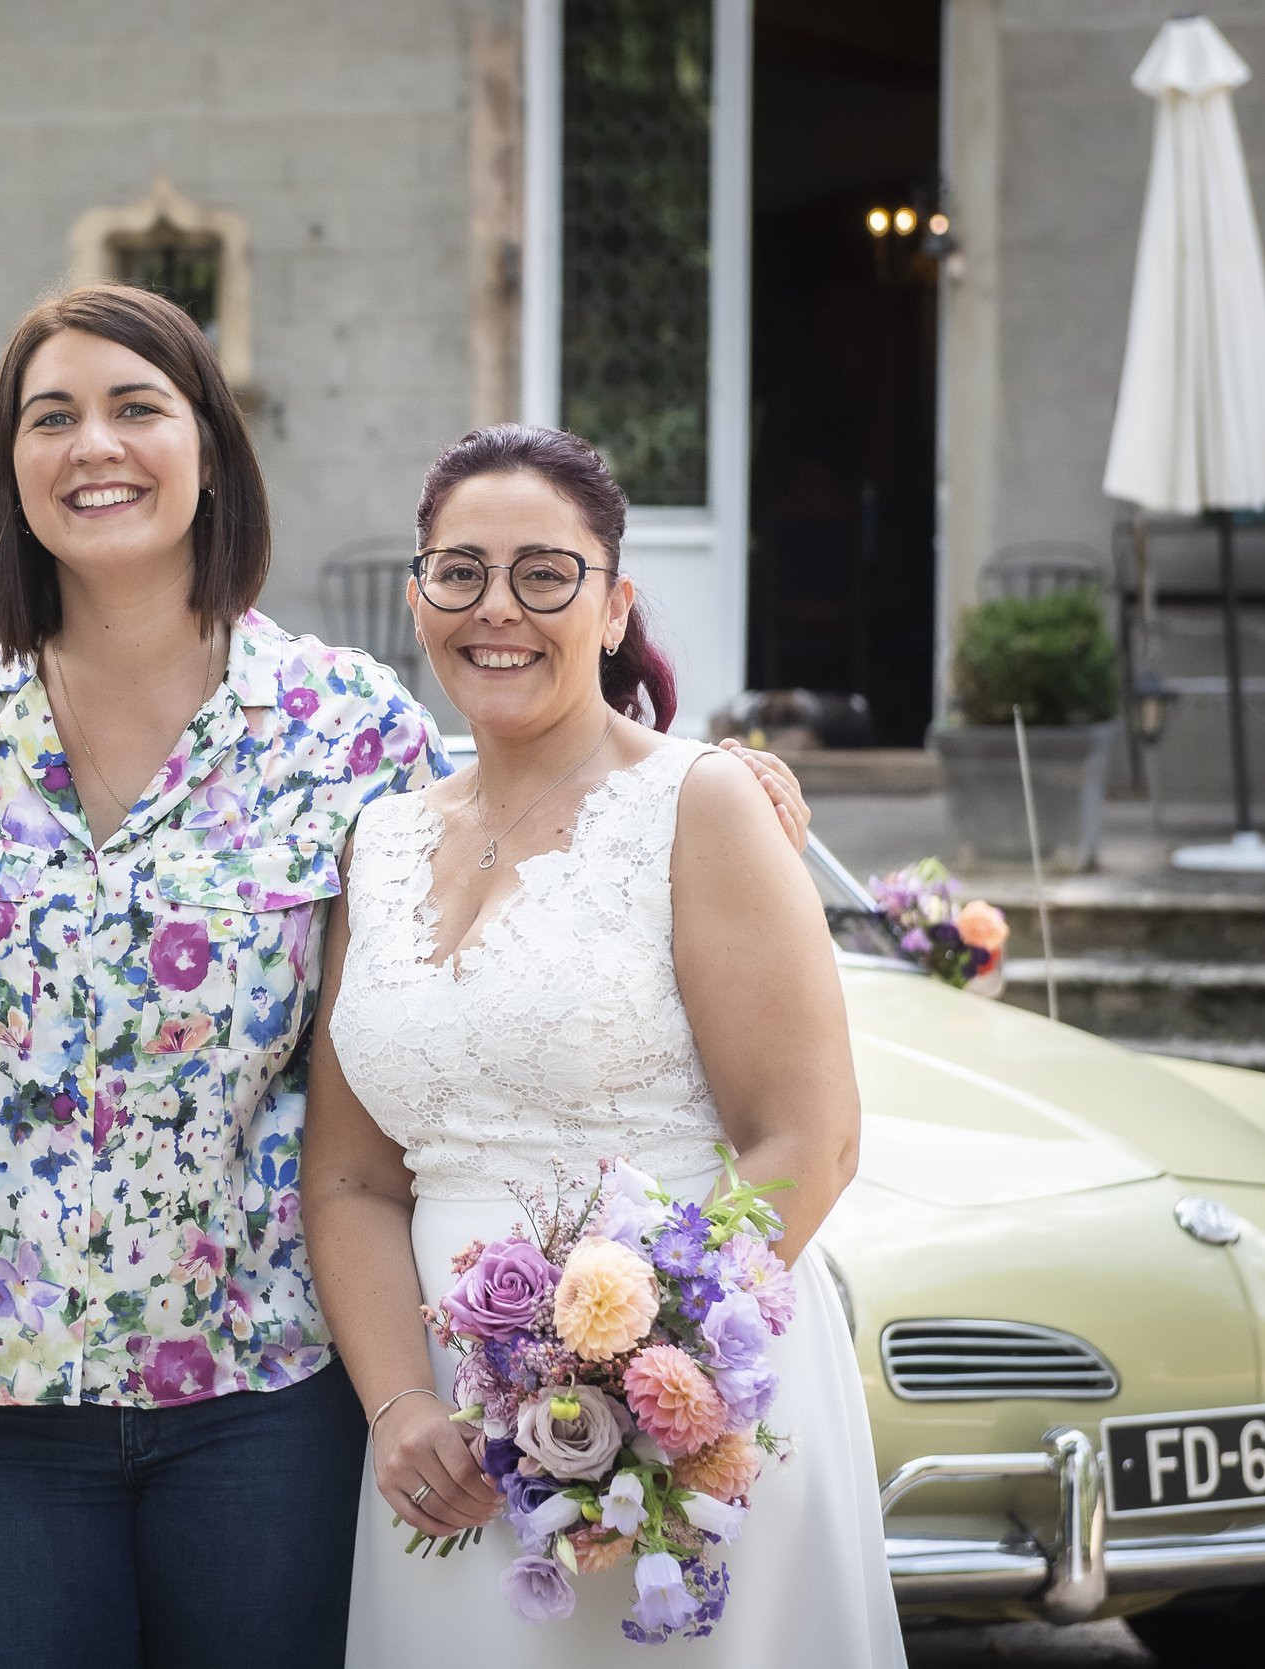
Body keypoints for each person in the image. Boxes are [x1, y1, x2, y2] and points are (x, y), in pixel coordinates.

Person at [0, 291, 809, 1668]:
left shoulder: (341, 728)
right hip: (0, 1406)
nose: (92, 444)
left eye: (135, 408)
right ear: (10, 468)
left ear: (212, 452)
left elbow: (540, 817)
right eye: (51, 417)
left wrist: (710, 776)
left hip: (270, 1407)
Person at [304, 424, 903, 1665]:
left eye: (544, 572)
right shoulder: (379, 842)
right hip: (449, 1435)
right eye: (458, 571)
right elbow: (353, 1175)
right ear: (418, 596)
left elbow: (810, 1134)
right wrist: (400, 1403)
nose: (497, 609)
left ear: (616, 603)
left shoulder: (700, 805)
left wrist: (632, 1385)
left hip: (685, 1407)